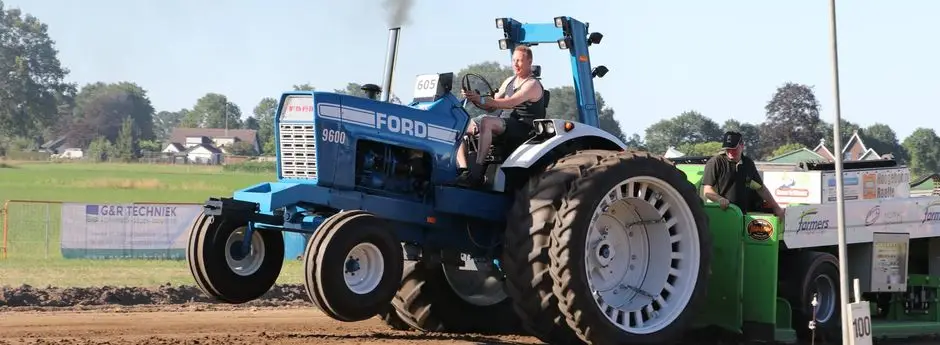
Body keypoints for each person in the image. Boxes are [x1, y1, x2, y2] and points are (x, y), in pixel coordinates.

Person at [455, 45, 545, 186]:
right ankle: (464, 170)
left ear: (529, 62)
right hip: (504, 121)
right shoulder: (509, 81)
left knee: (486, 122)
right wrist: (475, 98)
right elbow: (491, 106)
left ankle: (478, 172)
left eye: (519, 61)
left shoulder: (532, 84)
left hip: (523, 126)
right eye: (514, 60)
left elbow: (509, 103)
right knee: (461, 125)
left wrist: (483, 100)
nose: (515, 64)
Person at [702, 131, 785, 218]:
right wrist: (720, 199)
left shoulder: (748, 163)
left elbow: (760, 188)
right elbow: (707, 191)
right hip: (724, 214)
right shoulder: (715, 162)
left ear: (742, 146)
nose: (730, 151)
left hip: (746, 216)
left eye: (734, 148)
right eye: (727, 148)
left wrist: (776, 208)